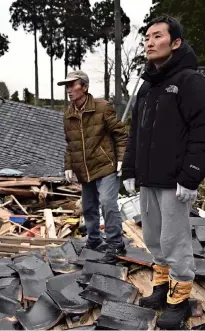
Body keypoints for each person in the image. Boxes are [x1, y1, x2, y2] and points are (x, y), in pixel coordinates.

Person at [121, 16, 205, 329]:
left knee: (175, 242)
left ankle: (179, 300)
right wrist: (129, 168)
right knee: (153, 238)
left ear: (175, 43)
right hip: (150, 180)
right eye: (147, 37)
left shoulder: (190, 82)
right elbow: (135, 134)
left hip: (175, 182)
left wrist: (191, 174)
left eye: (157, 36)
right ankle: (162, 289)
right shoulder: (148, 88)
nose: (149, 42)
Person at [58, 70, 128, 264]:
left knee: (107, 202)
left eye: (73, 85)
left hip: (106, 165)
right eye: (67, 86)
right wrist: (68, 166)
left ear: (85, 87)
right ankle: (94, 240)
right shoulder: (68, 115)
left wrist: (122, 159)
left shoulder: (102, 108)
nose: (69, 90)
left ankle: (115, 244)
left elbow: (121, 134)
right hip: (84, 169)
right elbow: (70, 144)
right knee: (89, 207)